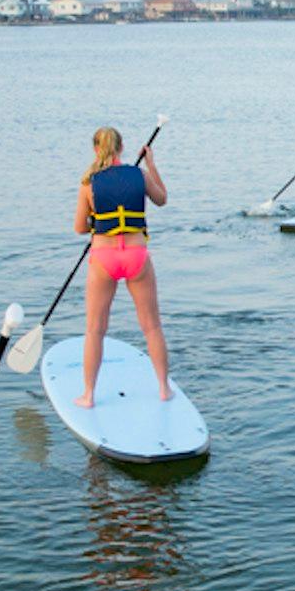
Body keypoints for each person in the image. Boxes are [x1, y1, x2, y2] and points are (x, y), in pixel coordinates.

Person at [74, 124, 171, 405]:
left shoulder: (88, 183)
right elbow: (162, 199)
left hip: (103, 259)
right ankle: (164, 388)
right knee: (152, 327)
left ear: (96, 149)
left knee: (95, 329)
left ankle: (89, 395)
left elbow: (80, 227)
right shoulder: (139, 174)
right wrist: (151, 164)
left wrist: (97, 221)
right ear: (121, 148)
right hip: (137, 257)